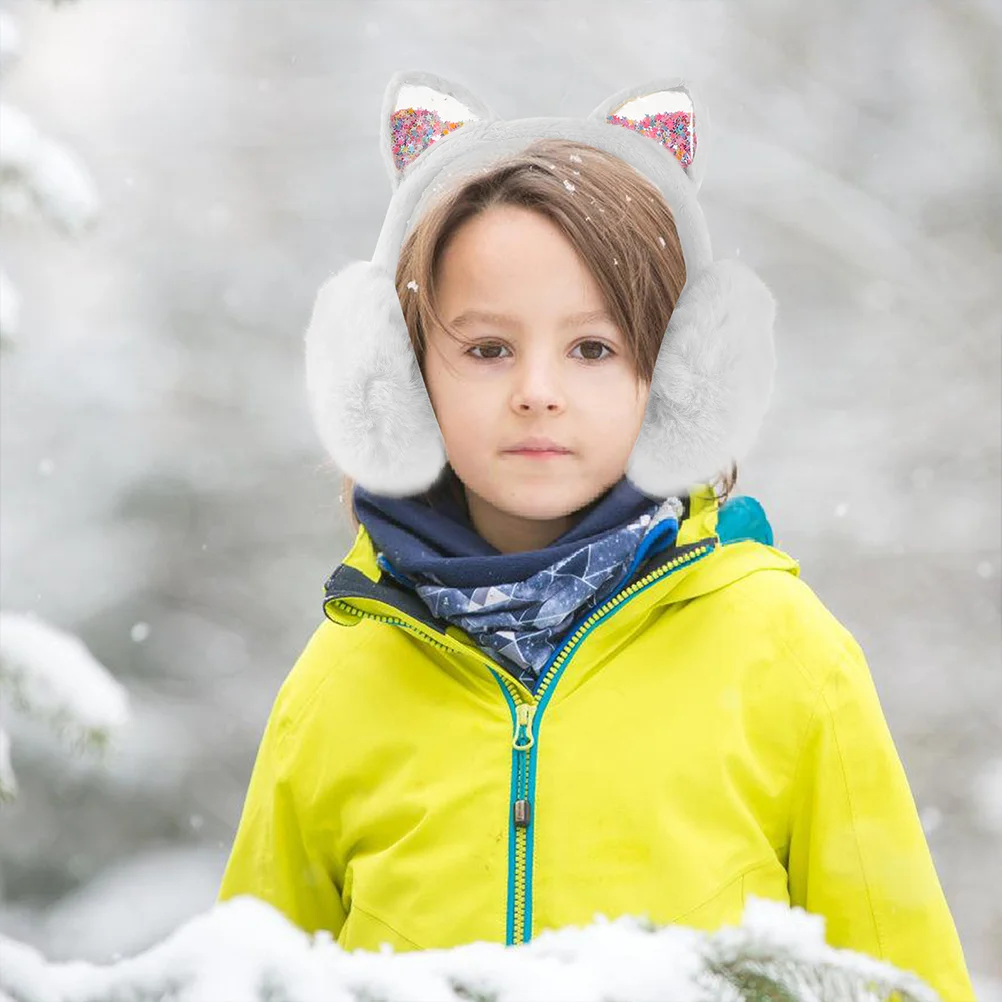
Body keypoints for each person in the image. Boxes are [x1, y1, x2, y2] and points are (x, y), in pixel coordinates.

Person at [218, 71, 974, 1000]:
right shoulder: (341, 681)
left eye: (593, 348)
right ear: (406, 379)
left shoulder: (785, 654)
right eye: (488, 348)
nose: (538, 389)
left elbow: (900, 978)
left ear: (679, 377)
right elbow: (242, 980)